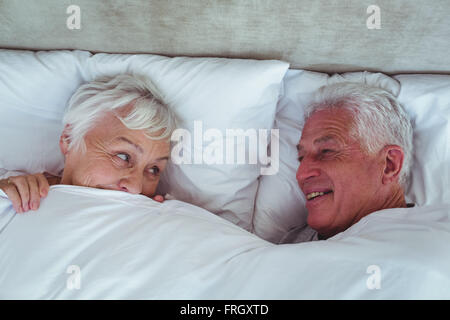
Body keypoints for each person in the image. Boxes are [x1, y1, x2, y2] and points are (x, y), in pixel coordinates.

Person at [0, 74, 177, 213]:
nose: (136, 188)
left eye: (154, 170)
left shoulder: (164, 217)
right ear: (68, 139)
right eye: (123, 156)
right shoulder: (11, 195)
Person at [280, 82, 414, 243]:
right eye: (301, 158)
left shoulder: (435, 238)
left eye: (327, 151)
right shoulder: (287, 246)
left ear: (389, 164)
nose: (301, 174)